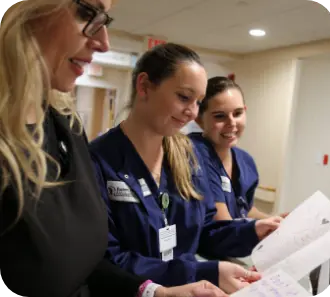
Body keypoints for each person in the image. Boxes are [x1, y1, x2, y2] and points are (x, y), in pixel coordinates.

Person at [0, 1, 230, 297]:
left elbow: (87, 261)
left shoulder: (66, 127)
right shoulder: (102, 158)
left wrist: (155, 292)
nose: (104, 42)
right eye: (87, 13)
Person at [89, 43, 282, 295]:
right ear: (144, 86)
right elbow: (106, 259)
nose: (192, 113)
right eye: (183, 97)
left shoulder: (188, 158)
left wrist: (254, 231)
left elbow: (206, 231)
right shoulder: (98, 161)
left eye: (198, 102)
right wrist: (200, 273)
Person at [189, 76, 286, 220]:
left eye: (237, 113)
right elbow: (222, 223)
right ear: (199, 119)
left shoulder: (245, 160)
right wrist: (259, 229)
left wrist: (277, 221)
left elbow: (244, 209)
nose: (232, 123)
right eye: (220, 116)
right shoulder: (193, 154)